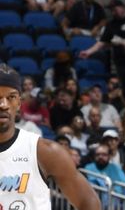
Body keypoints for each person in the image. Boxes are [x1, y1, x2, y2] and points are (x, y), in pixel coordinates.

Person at [0, 64, 101, 209]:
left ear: (19, 103)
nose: (3, 104)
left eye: (11, 97)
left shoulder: (44, 151)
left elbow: (89, 202)